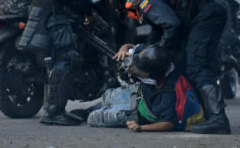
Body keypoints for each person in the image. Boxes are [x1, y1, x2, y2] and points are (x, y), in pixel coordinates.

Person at [109, 0, 231, 134]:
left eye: (127, 12)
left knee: (197, 66)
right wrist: (147, 50)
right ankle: (206, 115)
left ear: (127, 3)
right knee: (189, 64)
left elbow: (172, 25)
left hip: (206, 17)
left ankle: (218, 119)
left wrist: (160, 53)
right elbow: (157, 31)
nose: (131, 16)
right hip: (207, 15)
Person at [18, 0, 103, 126]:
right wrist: (88, 13)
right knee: (67, 56)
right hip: (55, 10)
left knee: (57, 57)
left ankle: (53, 107)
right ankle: (54, 111)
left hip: (37, 8)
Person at [72, 44, 204, 132]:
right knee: (108, 95)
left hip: (140, 114)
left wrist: (141, 127)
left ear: (153, 75)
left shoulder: (167, 94)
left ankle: (88, 114)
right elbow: (132, 46)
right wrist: (123, 49)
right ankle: (88, 110)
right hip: (139, 94)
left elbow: (167, 124)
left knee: (95, 118)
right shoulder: (151, 55)